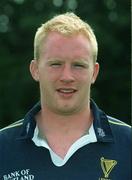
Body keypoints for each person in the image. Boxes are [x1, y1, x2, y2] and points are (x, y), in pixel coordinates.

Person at [0, 12, 131, 180]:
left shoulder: (128, 146)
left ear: (94, 73)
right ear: (35, 70)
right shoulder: (3, 148)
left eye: (78, 65)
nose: (67, 76)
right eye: (56, 64)